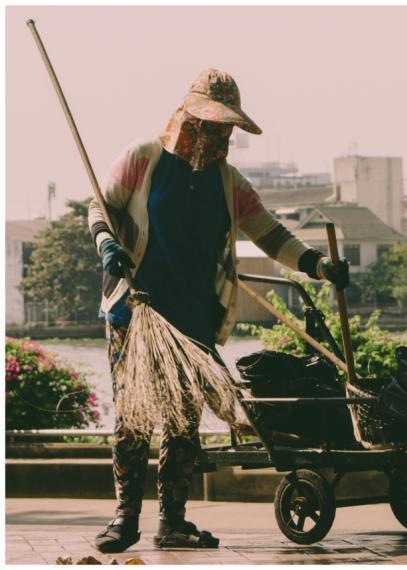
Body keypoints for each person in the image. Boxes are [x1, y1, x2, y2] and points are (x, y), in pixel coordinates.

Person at [89, 68, 349, 553]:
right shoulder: (142, 159)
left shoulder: (229, 184)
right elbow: (100, 208)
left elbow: (270, 235)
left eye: (225, 128)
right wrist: (107, 245)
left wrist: (317, 265)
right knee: (132, 415)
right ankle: (124, 519)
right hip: (136, 311)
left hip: (194, 317)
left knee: (183, 421)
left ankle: (173, 522)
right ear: (187, 119)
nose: (218, 136)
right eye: (210, 125)